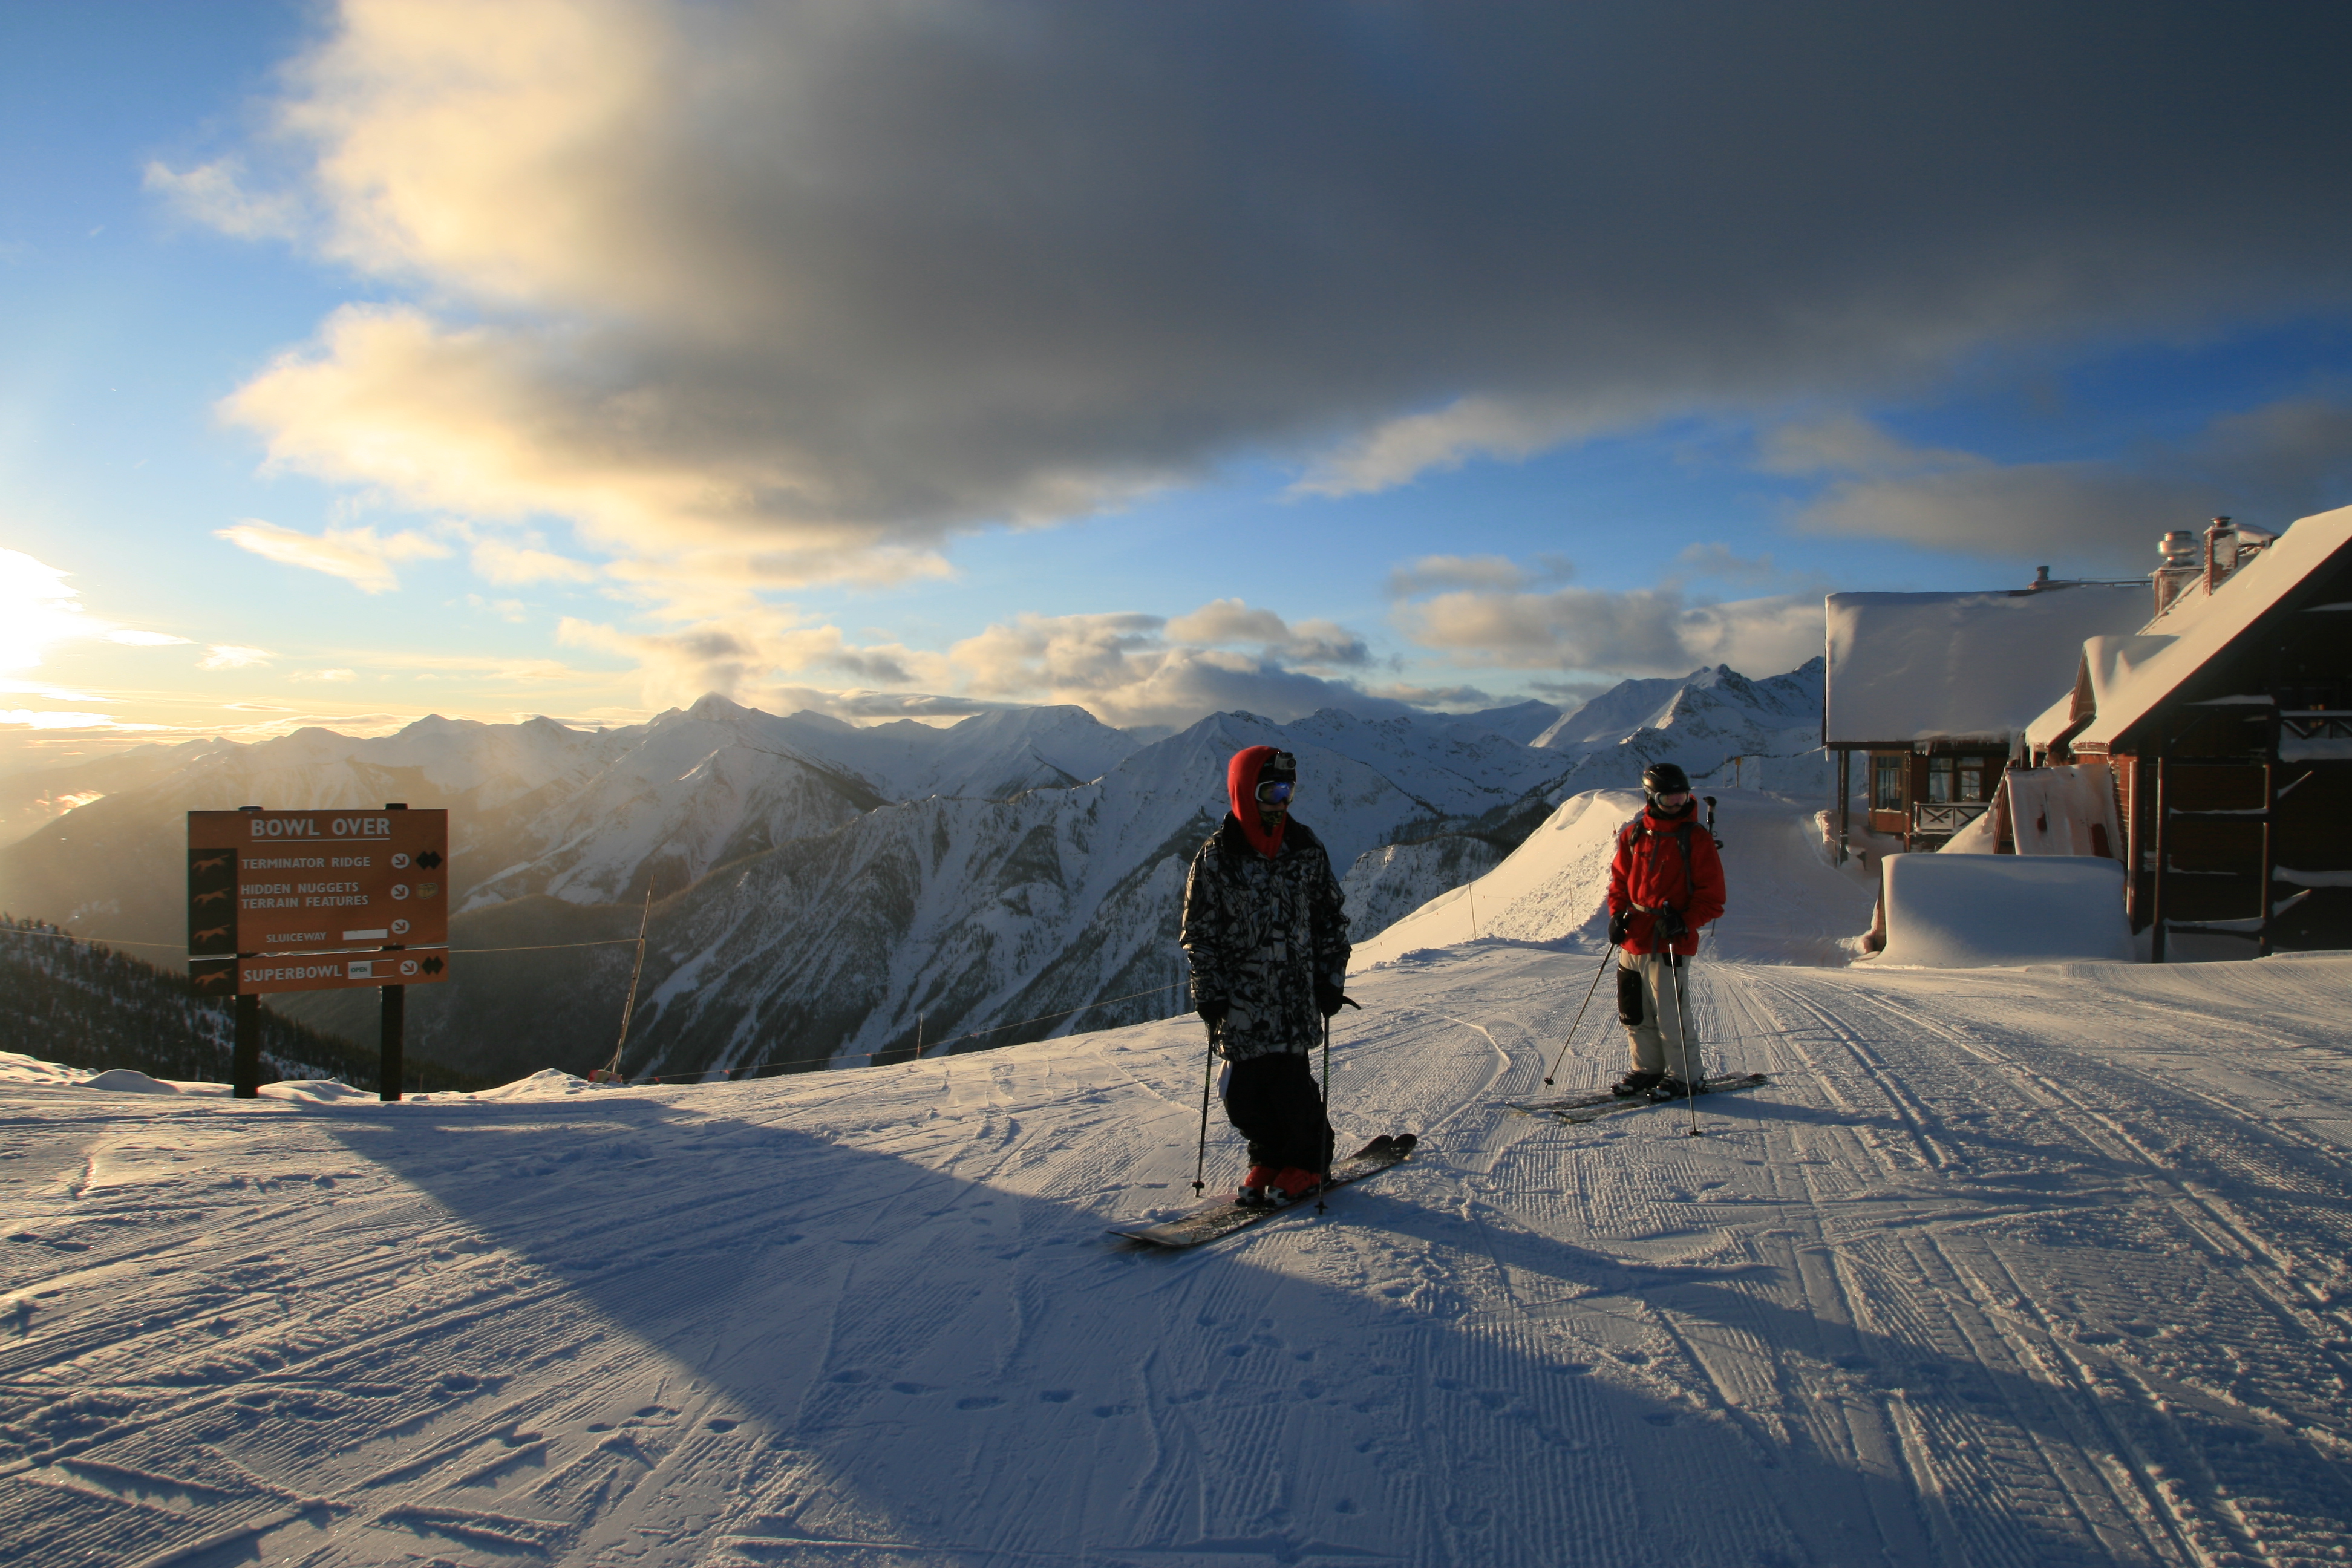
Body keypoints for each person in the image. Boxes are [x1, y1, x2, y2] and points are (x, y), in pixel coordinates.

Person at [1180, 745, 1352, 1206]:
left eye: (1288, 792)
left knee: (1292, 1089)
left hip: (1294, 999)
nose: (1282, 804)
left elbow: (1330, 920)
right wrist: (1209, 991)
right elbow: (1200, 935)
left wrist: (1329, 978)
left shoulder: (1304, 850)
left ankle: (1309, 1160)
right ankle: (1270, 1156)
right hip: (1242, 1002)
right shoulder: (1216, 859)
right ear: (1244, 792)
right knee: (1244, 1095)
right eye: (1271, 792)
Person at [1606, 762, 1726, 1100]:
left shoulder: (1695, 839)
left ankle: (1686, 1076)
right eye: (1668, 797)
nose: (1677, 803)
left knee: (1671, 1014)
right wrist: (1617, 915)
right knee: (1635, 1011)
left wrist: (1684, 921)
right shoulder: (1633, 835)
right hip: (1635, 937)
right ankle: (1648, 1069)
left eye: (1682, 796)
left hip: (1670, 938)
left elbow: (1713, 898)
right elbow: (1619, 882)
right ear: (1651, 797)